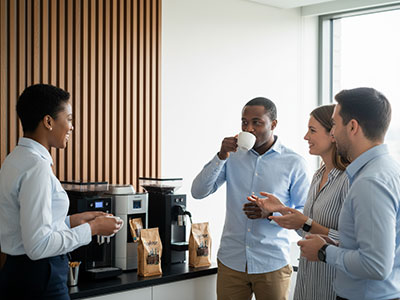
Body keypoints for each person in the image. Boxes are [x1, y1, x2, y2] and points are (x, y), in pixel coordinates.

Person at [0, 84, 122, 300]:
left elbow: (28, 227)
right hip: (41, 277)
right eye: (69, 118)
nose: (72, 127)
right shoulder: (36, 167)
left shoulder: (14, 160)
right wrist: (92, 229)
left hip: (18, 273)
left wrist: (72, 221)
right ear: (48, 122)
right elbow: (37, 246)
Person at [191, 97, 310, 300]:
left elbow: (304, 216)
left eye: (257, 122)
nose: (249, 128)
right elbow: (198, 192)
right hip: (232, 261)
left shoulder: (294, 163)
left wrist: (271, 213)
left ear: (273, 124)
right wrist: (221, 155)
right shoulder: (232, 156)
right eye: (244, 122)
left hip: (272, 262)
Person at [298, 87, 400, 300]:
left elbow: (376, 265)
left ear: (352, 126)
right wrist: (336, 244)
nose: (332, 133)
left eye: (334, 124)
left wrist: (324, 252)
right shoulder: (387, 169)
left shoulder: (370, 182)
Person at [249, 104, 349, 300]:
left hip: (332, 285)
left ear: (333, 134)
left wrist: (306, 223)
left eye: (312, 130)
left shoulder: (348, 179)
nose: (306, 137)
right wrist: (279, 210)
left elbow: (352, 242)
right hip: (307, 283)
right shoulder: (318, 174)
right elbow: (305, 229)